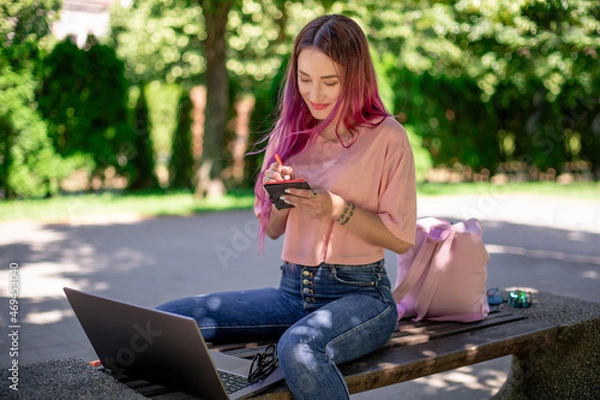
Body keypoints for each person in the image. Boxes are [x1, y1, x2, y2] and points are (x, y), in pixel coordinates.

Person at [157, 14, 416, 399]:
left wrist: (337, 209)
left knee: (298, 347)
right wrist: (280, 194)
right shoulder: (288, 132)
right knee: (167, 321)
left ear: (357, 77)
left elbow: (400, 238)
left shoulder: (388, 137)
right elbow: (275, 227)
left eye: (330, 81)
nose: (315, 93)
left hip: (361, 297)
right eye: (304, 78)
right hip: (292, 292)